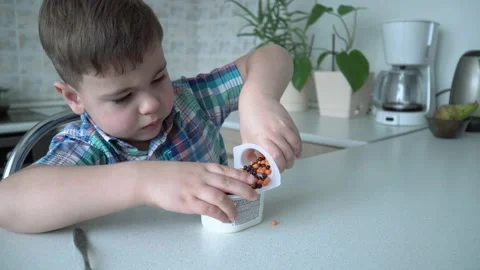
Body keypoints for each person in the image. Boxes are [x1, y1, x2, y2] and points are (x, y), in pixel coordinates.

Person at [0, 0, 302, 234]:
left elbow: (273, 54)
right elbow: (9, 203)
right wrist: (144, 181)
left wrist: (257, 97)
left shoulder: (191, 102)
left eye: (158, 78)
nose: (150, 104)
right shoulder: (87, 146)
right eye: (122, 97)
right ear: (74, 98)